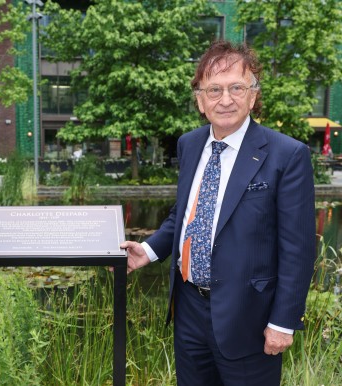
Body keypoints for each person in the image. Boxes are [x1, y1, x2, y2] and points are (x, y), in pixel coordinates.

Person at [120, 40, 315, 385]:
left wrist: (283, 322)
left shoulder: (287, 155)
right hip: (189, 308)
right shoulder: (189, 144)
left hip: (250, 318)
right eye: (214, 90)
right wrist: (148, 251)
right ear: (200, 99)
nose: (225, 100)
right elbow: (186, 214)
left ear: (253, 95)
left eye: (236, 88)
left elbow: (298, 249)